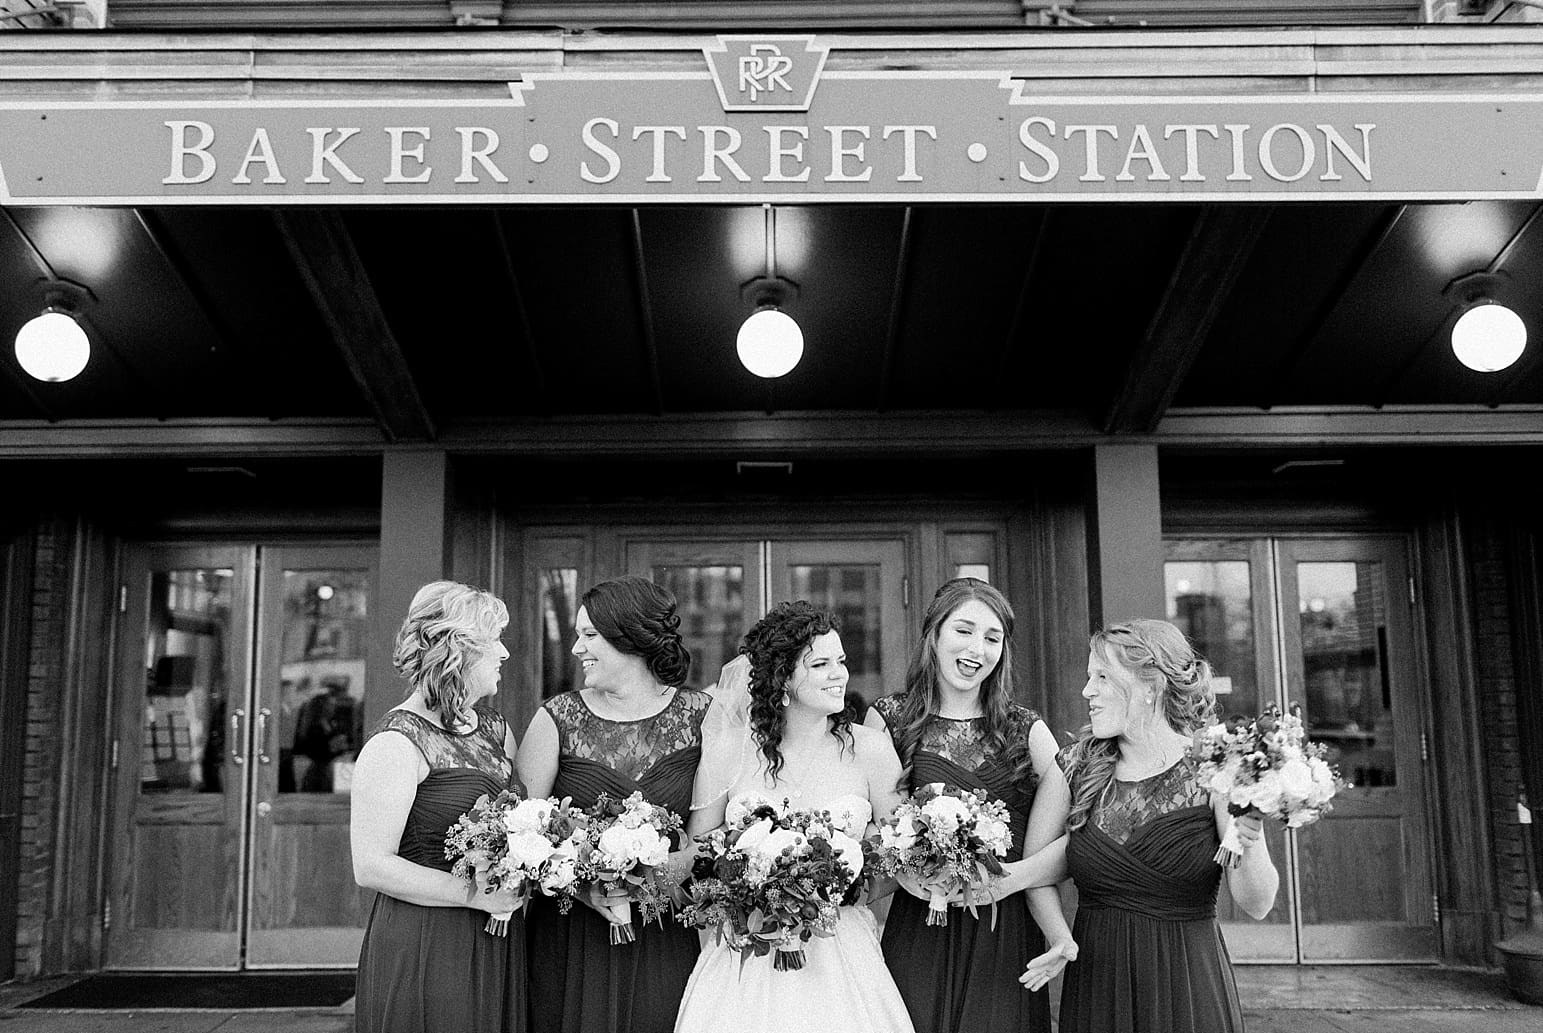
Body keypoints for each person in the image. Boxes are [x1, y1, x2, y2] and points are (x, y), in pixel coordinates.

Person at [675, 601, 915, 1033]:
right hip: (747, 954)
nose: (839, 674)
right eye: (820, 664)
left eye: (840, 661)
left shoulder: (871, 749)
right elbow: (701, 849)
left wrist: (843, 887)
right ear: (782, 679)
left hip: (842, 950)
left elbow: (900, 850)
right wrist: (748, 886)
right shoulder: (732, 750)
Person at [865, 577, 1075, 1033]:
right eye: (963, 630)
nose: (977, 648)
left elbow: (1067, 849)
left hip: (1006, 933)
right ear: (934, 634)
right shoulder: (889, 720)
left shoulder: (1028, 731)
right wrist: (915, 873)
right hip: (923, 923)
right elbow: (878, 834)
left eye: (992, 637)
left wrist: (1018, 891)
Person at [1051, 619, 1279, 1033]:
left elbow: (1257, 902)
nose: (1088, 691)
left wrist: (1251, 835)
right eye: (1090, 678)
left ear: (1151, 687)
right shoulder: (1076, 767)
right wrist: (1052, 932)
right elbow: (1045, 865)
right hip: (1098, 989)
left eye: (1102, 677)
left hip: (1187, 989)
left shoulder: (1215, 768)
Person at [517, 576, 709, 1033]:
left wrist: (658, 876)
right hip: (569, 932)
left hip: (661, 930)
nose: (577, 649)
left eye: (589, 636)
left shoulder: (701, 718)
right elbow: (520, 831)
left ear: (631, 638)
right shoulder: (556, 718)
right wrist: (581, 884)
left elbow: (710, 839)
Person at [352, 581, 525, 1033]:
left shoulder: (494, 729)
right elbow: (370, 866)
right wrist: (477, 894)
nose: (504, 654)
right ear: (459, 652)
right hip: (427, 939)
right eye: (494, 642)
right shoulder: (396, 743)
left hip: (498, 939)